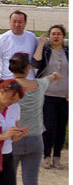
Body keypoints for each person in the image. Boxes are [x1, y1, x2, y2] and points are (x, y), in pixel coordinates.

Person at [0, 52, 62, 185]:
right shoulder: (38, 85)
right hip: (35, 139)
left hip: (12, 139)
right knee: (31, 183)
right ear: (28, 68)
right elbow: (49, 78)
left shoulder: (7, 87)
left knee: (7, 182)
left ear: (11, 67)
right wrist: (55, 75)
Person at [34, 24, 68, 169]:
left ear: (63, 36)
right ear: (50, 36)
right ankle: (46, 156)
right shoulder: (46, 51)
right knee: (49, 127)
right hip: (47, 95)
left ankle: (57, 157)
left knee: (61, 128)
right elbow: (35, 63)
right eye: (53, 34)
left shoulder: (69, 52)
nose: (56, 36)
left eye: (58, 34)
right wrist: (40, 44)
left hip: (65, 97)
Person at [0, 11, 37, 82]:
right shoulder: (3, 39)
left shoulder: (32, 37)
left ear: (25, 22)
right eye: (14, 21)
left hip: (29, 82)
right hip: (8, 82)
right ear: (10, 22)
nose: (17, 24)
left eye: (20, 22)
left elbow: (37, 59)